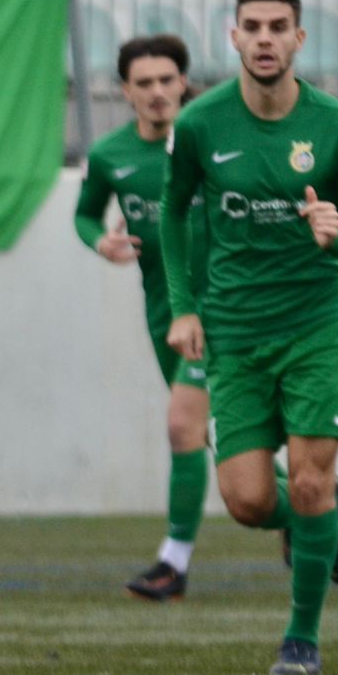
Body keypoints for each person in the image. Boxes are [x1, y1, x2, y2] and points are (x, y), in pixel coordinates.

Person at [161, 0, 338, 675]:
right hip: (234, 328)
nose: (264, 38)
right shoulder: (200, 124)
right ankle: (322, 517)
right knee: (249, 501)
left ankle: (302, 637)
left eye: (278, 26)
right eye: (252, 26)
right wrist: (184, 306)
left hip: (318, 323)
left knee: (312, 481)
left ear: (299, 40)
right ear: (233, 38)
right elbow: (173, 216)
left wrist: (336, 237)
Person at [74, 35, 214, 600]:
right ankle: (312, 507)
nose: (157, 93)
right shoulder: (111, 155)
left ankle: (173, 563)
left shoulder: (212, 143)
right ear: (125, 90)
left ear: (183, 82)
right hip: (164, 312)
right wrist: (99, 242)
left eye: (166, 80)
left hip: (222, 308)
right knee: (216, 443)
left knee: (182, 426)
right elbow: (85, 215)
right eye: (144, 83)